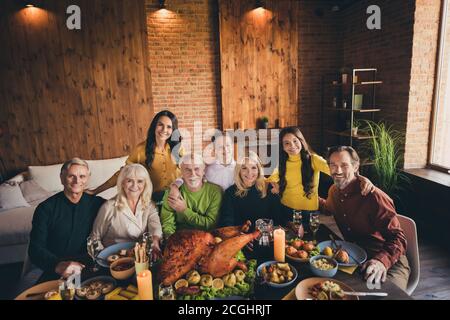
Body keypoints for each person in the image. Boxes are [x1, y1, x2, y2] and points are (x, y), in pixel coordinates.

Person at [322, 146, 410, 290]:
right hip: (355, 257)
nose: (337, 171)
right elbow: (327, 207)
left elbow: (399, 238)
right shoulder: (334, 192)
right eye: (333, 165)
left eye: (344, 165)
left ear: (356, 166)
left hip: (388, 261)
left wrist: (381, 261)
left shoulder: (373, 196)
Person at [267, 126, 374, 226]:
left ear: (301, 141)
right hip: (285, 208)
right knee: (289, 243)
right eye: (287, 143)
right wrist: (274, 184)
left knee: (309, 243)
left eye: (295, 141)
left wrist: (360, 177)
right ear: (282, 146)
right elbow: (272, 177)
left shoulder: (313, 159)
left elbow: (336, 171)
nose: (292, 146)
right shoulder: (282, 162)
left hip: (308, 212)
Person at [28, 158, 105, 281]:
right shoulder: (45, 208)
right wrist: (57, 265)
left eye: (82, 176)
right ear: (62, 178)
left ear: (88, 178)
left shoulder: (98, 203)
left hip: (91, 265)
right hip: (58, 267)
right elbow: (35, 249)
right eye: (71, 176)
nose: (77, 181)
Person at [88, 110, 182, 203]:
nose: (164, 130)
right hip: (152, 200)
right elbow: (124, 173)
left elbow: (185, 173)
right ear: (154, 126)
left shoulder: (178, 148)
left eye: (169, 127)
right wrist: (96, 191)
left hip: (175, 197)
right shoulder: (141, 150)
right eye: (160, 125)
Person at [90, 164, 162, 259]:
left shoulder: (150, 205)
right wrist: (103, 258)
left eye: (140, 181)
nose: (135, 186)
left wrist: (155, 242)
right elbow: (95, 238)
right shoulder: (108, 207)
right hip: (113, 258)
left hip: (139, 257)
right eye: (129, 181)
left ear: (145, 184)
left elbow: (155, 227)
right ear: (122, 183)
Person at [160, 153, 222, 238]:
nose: (193, 174)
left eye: (196, 169)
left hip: (205, 239)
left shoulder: (215, 192)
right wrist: (171, 240)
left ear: (203, 170)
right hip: (179, 238)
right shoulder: (172, 192)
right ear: (181, 172)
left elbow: (210, 224)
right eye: (187, 170)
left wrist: (184, 210)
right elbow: (167, 223)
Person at [219, 151, 280, 228]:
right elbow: (227, 222)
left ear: (258, 170)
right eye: (244, 168)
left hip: (267, 236)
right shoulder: (230, 193)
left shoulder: (269, 187)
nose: (249, 172)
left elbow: (278, 218)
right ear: (239, 171)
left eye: (253, 167)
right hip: (240, 237)